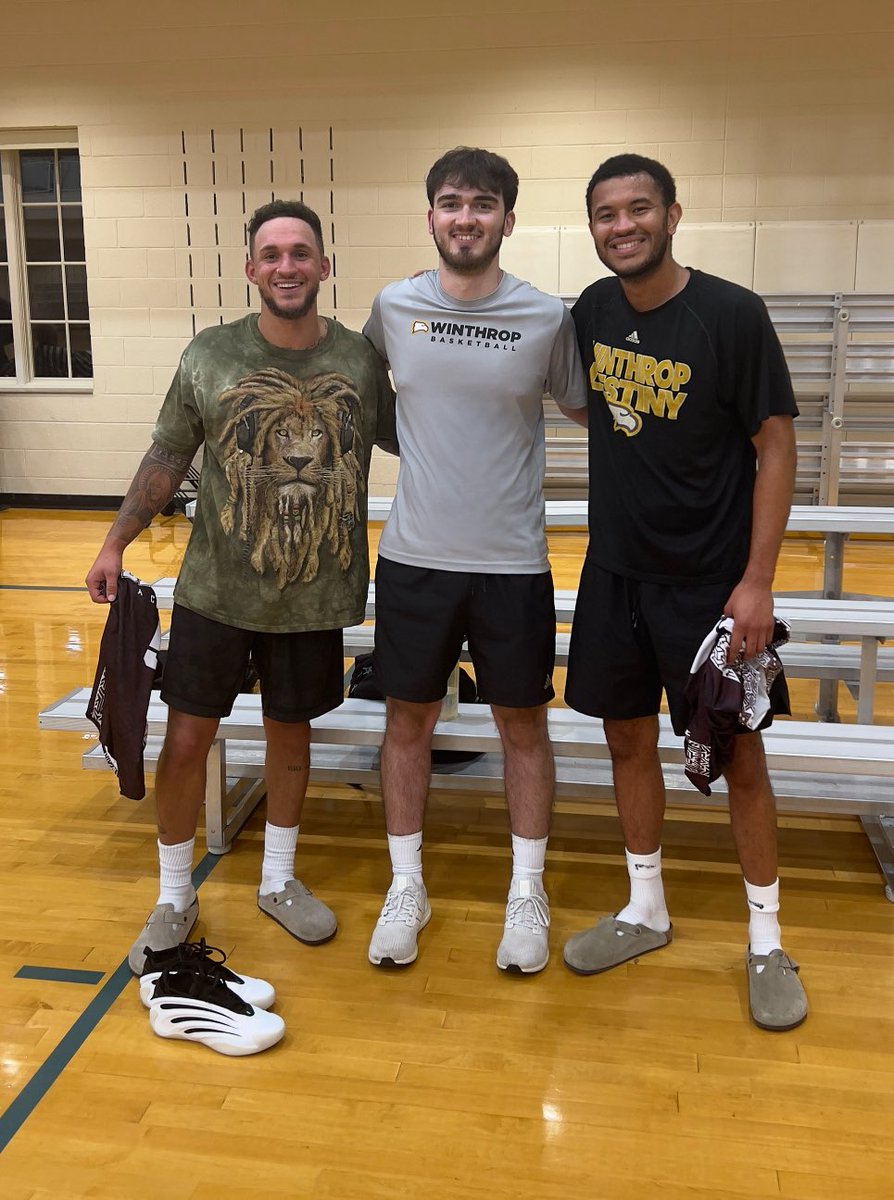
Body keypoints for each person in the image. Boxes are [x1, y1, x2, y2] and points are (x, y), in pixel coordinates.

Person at [86, 199, 397, 974]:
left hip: (316, 593)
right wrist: (114, 541)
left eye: (301, 253)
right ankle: (172, 894)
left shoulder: (361, 358)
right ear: (252, 268)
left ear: (324, 267)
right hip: (216, 591)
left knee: (293, 736)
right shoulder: (209, 354)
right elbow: (167, 456)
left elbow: (415, 434)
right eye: (272, 254)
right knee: (188, 738)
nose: (287, 266)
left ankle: (280, 880)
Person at [560, 153, 808, 1030]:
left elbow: (775, 446)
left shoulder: (730, 315)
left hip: (712, 585)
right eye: (605, 214)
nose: (621, 227)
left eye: (638, 210)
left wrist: (757, 581)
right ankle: (646, 909)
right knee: (625, 741)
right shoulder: (591, 310)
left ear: (672, 213)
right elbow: (594, 409)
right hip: (615, 575)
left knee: (741, 758)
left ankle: (768, 940)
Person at [362, 147, 588, 974]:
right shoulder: (392, 307)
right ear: (431, 216)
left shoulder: (547, 317)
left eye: (483, 204)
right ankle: (406, 887)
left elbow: (586, 406)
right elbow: (373, 410)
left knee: (521, 725)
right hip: (416, 557)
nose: (466, 217)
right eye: (451, 202)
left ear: (507, 220)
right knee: (407, 722)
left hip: (512, 562)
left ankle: (527, 891)